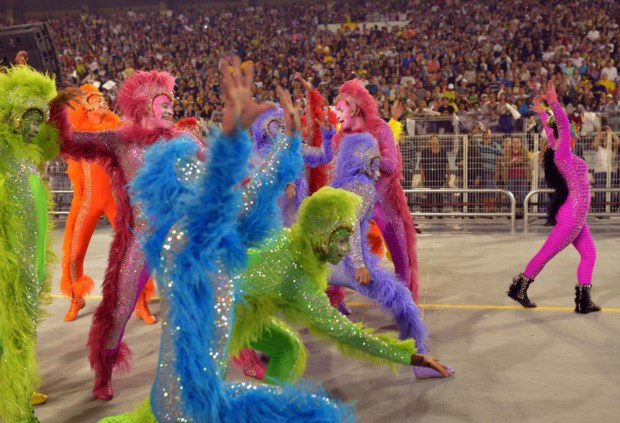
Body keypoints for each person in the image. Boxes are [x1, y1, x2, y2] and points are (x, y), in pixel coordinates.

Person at [98, 58, 355, 423]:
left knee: (311, 402)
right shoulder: (180, 242)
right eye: (195, 178)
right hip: (188, 406)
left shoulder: (209, 230)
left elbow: (246, 198)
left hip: (207, 397)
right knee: (314, 413)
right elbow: (230, 196)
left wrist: (287, 139)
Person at [53, 70, 202, 400]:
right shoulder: (119, 140)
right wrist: (57, 109)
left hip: (182, 239)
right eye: (164, 104)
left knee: (202, 302)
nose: (171, 109)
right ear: (146, 106)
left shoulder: (184, 140)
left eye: (172, 104)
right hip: (142, 238)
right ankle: (104, 373)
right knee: (119, 309)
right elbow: (71, 142)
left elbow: (220, 172)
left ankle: (230, 361)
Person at [0, 59, 74, 423]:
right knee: (10, 332)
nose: (34, 127)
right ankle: (15, 407)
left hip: (32, 258)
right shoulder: (3, 150)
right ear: (12, 119)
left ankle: (19, 386)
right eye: (29, 119)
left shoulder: (30, 153)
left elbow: (55, 142)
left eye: (38, 120)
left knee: (24, 327)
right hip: (11, 259)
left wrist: (54, 104)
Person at [59, 84, 156, 323]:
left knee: (133, 251)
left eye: (103, 100)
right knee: (74, 252)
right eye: (94, 101)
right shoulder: (76, 134)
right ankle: (76, 297)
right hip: (87, 202)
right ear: (85, 108)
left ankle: (140, 301)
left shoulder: (118, 132)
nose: (101, 103)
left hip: (116, 201)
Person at [508, 81, 600, 314]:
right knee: (546, 254)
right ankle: (520, 288)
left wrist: (542, 113)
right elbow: (562, 126)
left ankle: (584, 301)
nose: (574, 134)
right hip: (572, 216)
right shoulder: (562, 153)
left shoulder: (556, 148)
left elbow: (553, 130)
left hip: (576, 216)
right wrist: (554, 103)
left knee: (589, 255)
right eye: (570, 131)